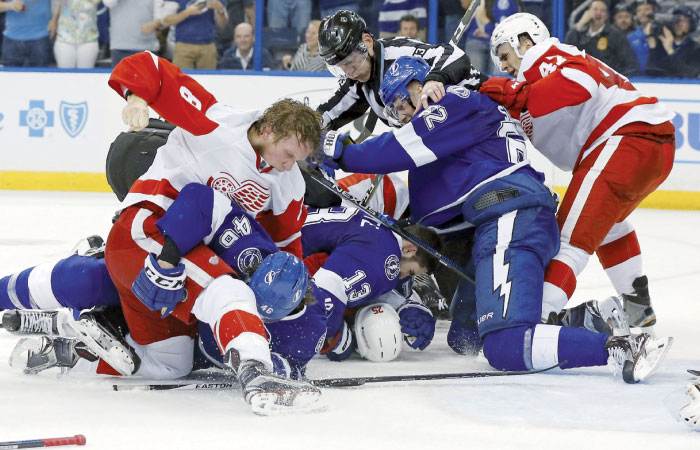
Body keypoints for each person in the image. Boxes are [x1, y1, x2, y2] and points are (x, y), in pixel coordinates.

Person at [317, 54, 673, 383]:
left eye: (405, 99)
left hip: (508, 217)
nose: (404, 112)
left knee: (505, 344)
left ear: (424, 84)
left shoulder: (451, 102)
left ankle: (623, 348)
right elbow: (428, 207)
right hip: (501, 222)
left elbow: (395, 149)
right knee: (467, 338)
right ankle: (588, 318)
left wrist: (342, 152)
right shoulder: (449, 134)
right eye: (395, 109)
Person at [104, 51, 323, 413]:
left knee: (173, 362)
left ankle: (76, 338)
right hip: (155, 227)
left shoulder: (289, 183)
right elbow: (151, 67)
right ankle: (256, 372)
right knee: (226, 291)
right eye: (287, 153)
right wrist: (137, 98)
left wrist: (292, 292)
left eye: (297, 159)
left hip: (198, 249)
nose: (289, 165)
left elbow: (283, 244)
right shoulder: (215, 123)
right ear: (268, 130)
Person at [481, 13, 675, 333]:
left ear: (525, 42)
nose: (502, 65)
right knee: (607, 225)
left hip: (623, 138)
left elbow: (579, 82)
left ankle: (537, 319)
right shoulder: (527, 83)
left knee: (569, 238)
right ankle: (638, 309)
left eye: (504, 54)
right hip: (651, 147)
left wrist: (502, 89)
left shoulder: (541, 55)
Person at [316, 9, 486, 132]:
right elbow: (326, 112)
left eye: (351, 61)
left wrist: (434, 79)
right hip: (448, 134)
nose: (349, 72)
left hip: (482, 109)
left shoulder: (398, 52)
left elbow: (455, 55)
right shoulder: (356, 80)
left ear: (367, 42)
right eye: (341, 67)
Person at [564, 0, 638, 76]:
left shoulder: (616, 35)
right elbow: (567, 52)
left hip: (607, 84)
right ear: (588, 13)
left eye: (602, 11)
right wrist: (579, 25)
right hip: (583, 80)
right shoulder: (579, 33)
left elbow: (630, 64)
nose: (598, 13)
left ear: (606, 16)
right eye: (595, 9)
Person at [163, 0, 228, 70]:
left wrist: (220, 10)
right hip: (183, 45)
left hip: (208, 46)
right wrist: (187, 12)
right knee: (182, 79)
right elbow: (166, 22)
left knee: (208, 79)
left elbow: (223, 25)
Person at [462, 0, 522, 74]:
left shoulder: (506, 2)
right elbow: (464, 4)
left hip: (501, 42)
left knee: (499, 77)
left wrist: (485, 22)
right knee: (472, 77)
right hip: (476, 38)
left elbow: (503, 32)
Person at [646, 6, 700, 79]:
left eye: (683, 21)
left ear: (692, 24)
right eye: (676, 20)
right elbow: (650, 73)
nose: (678, 24)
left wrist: (670, 51)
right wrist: (652, 47)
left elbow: (690, 75)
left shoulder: (696, 49)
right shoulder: (661, 45)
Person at [102, 0, 161, 67]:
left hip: (148, 47)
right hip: (120, 47)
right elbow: (109, 2)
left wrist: (155, 24)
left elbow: (160, 16)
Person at [49, 0, 100, 69]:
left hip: (88, 38)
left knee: (86, 75)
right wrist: (54, 20)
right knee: (64, 75)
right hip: (64, 37)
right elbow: (59, 4)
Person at [0, 0, 52, 67]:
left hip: (41, 38)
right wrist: (10, 5)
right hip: (11, 39)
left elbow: (60, 3)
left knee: (41, 76)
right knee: (11, 76)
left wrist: (55, 19)